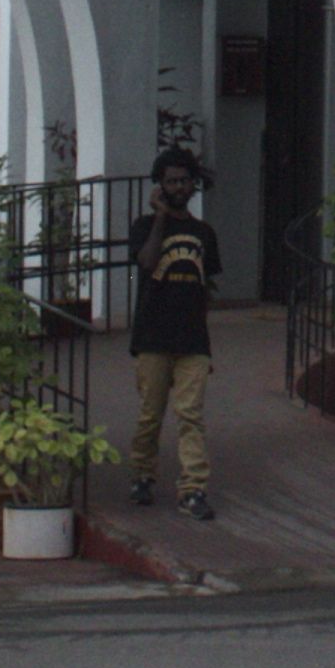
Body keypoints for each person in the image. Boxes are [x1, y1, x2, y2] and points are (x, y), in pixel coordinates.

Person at [127, 146, 222, 519]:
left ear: (193, 184)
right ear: (160, 185)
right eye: (171, 182)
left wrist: (205, 344)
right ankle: (142, 475)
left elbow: (205, 286)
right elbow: (147, 262)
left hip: (192, 340)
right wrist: (161, 218)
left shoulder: (204, 233)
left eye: (184, 181)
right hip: (152, 336)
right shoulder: (144, 227)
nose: (178, 187)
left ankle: (193, 488)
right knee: (150, 414)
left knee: (190, 415)